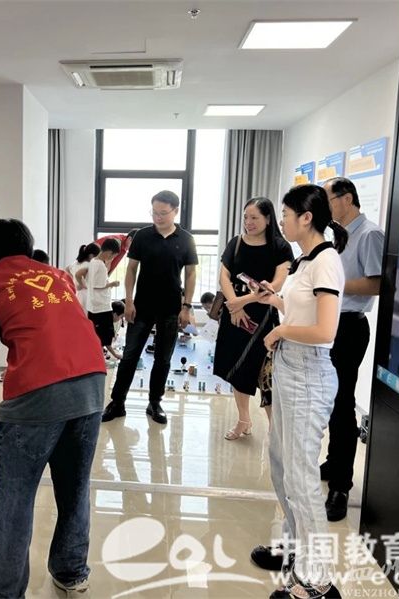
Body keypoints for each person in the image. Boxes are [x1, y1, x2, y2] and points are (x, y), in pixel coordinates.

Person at [0, 219, 106, 599]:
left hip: (36, 394)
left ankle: (5, 593)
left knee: (15, 503)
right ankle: (71, 573)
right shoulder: (59, 275)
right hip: (91, 386)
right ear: (28, 247)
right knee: (75, 489)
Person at [250, 184, 347, 599]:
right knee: (282, 466)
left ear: (306, 218)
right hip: (291, 369)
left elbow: (325, 331)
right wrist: (275, 299)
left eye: (286, 215)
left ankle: (317, 579)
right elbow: (301, 308)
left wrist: (281, 331)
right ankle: (295, 550)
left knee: (302, 479)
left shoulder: (326, 261)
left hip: (309, 372)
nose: (282, 222)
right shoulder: (305, 260)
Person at [101, 190, 198, 425]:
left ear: (175, 211)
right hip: (142, 306)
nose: (157, 217)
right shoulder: (143, 236)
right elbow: (131, 269)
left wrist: (186, 307)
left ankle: (155, 403)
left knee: (163, 359)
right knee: (130, 355)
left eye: (163, 213)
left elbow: (191, 273)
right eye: (154, 212)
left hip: (171, 308)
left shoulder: (186, 239)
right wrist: (129, 301)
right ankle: (117, 402)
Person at [320, 177, 384, 521]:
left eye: (328, 199)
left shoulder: (369, 234)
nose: (325, 206)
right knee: (332, 401)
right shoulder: (340, 235)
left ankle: (341, 486)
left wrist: (332, 284)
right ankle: (333, 462)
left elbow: (375, 283)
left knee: (343, 404)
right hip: (331, 325)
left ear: (346, 199)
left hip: (350, 327)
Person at [213, 197, 293, 439]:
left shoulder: (280, 246)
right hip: (234, 315)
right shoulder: (236, 242)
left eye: (254, 217)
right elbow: (224, 277)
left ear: (268, 219)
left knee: (265, 372)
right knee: (236, 369)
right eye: (245, 217)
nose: (248, 222)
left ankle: (274, 429)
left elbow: (276, 284)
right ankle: (243, 420)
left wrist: (242, 302)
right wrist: (234, 307)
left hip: (263, 316)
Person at [77, 238, 122, 363]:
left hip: (93, 305)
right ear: (109, 253)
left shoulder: (93, 262)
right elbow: (99, 285)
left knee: (96, 334)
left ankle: (96, 358)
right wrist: (112, 284)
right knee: (104, 335)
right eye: (113, 256)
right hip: (101, 306)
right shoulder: (100, 265)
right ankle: (100, 359)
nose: (112, 258)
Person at [65, 243, 100, 313]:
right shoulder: (89, 265)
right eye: (97, 257)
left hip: (77, 295)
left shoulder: (75, 263)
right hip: (86, 295)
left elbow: (67, 269)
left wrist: (73, 280)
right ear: (91, 256)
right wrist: (81, 284)